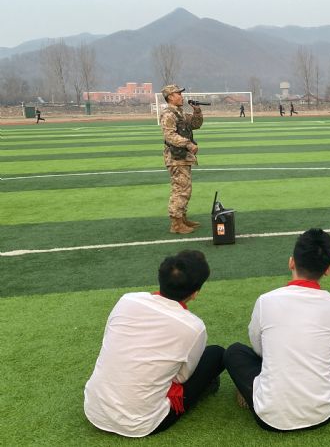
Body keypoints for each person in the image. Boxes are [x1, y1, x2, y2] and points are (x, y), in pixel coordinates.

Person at [84, 250, 224, 437]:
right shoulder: (193, 327)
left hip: (94, 408)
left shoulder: (127, 299)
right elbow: (181, 378)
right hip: (142, 423)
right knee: (216, 354)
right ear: (195, 293)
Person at [224, 229, 330, 432]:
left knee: (234, 352)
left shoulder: (266, 301)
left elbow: (258, 347)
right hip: (324, 413)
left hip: (270, 417)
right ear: (328, 270)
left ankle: (252, 390)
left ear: (291, 262)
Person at [160, 84, 203, 234]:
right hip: (176, 157)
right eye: (178, 94)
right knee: (180, 189)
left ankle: (182, 218)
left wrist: (197, 111)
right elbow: (170, 135)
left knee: (185, 188)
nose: (181, 96)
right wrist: (188, 144)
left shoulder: (180, 113)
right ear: (170, 97)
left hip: (182, 156)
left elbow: (195, 124)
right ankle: (176, 223)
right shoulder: (168, 114)